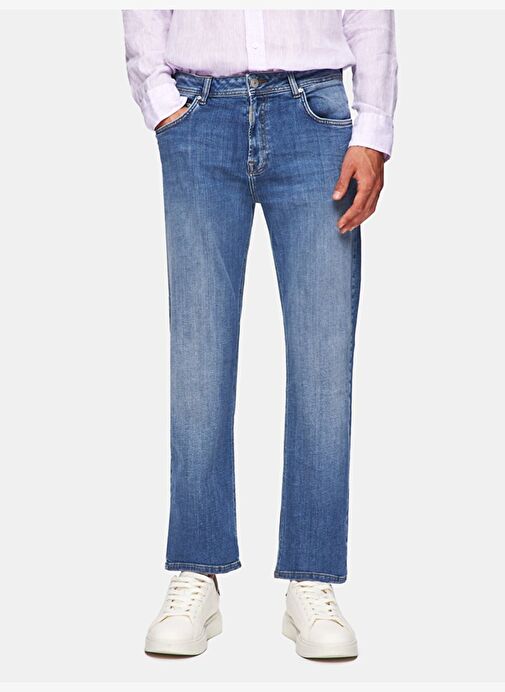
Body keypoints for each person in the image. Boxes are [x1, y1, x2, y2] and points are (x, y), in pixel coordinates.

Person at [122, 9, 398, 659]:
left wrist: (374, 127)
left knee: (323, 356)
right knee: (198, 351)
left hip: (317, 117)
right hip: (198, 111)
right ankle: (197, 570)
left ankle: (311, 579)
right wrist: (159, 97)